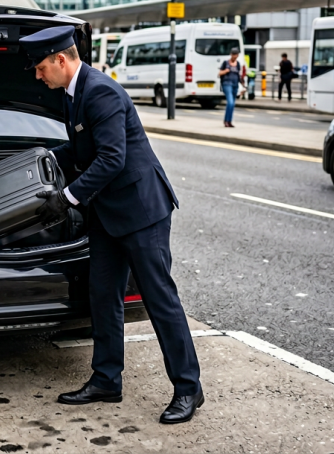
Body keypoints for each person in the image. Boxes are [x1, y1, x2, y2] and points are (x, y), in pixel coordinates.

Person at [24, 26, 202, 424]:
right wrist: (40, 160)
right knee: (103, 294)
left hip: (141, 211)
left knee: (160, 300)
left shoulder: (101, 91)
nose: (38, 77)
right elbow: (79, 148)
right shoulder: (74, 92)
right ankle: (106, 379)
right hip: (108, 212)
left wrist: (66, 198)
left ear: (61, 60)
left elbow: (110, 159)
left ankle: (189, 388)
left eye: (40, 68)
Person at [218, 48, 245, 128]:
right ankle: (226, 121)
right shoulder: (225, 63)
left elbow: (239, 76)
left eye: (236, 55)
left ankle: (229, 121)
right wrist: (225, 71)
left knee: (232, 104)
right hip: (227, 84)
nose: (234, 56)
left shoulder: (238, 64)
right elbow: (219, 73)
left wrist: (243, 86)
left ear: (237, 55)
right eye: (233, 54)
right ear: (231, 54)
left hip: (235, 85)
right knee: (230, 102)